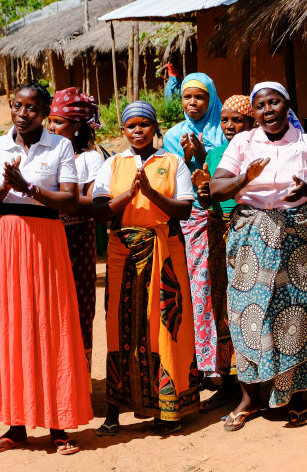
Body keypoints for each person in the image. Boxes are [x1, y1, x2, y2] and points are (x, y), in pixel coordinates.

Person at [209, 82, 307, 432]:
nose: (268, 110)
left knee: (299, 312)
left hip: (300, 237)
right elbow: (215, 188)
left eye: (274, 102)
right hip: (251, 236)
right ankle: (250, 398)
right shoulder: (242, 142)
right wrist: (242, 178)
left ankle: (295, 397)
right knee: (247, 311)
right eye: (261, 104)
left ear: (286, 105)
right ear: (255, 111)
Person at [0, 82, 92, 455]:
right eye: (17, 106)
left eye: (31, 108)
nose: (23, 114)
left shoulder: (60, 146)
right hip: (7, 239)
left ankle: (59, 426)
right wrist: (6, 187)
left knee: (50, 324)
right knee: (11, 325)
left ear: (44, 113)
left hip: (47, 239)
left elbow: (71, 202)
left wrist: (28, 187)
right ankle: (16, 425)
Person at [92, 101, 199, 437]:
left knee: (164, 327)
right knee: (118, 327)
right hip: (122, 250)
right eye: (130, 126)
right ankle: (114, 411)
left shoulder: (172, 162)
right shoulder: (113, 164)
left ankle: (167, 408)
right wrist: (128, 196)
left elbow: (182, 211)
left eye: (143, 124)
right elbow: (100, 211)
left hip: (163, 249)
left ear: (154, 127)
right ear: (123, 130)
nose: (137, 131)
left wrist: (150, 193)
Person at [189, 95, 256, 411]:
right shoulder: (214, 155)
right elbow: (206, 202)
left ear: (251, 122)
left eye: (237, 120)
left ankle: (255, 385)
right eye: (226, 120)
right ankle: (229, 385)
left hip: (251, 233)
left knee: (250, 308)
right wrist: (203, 192)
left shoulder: (257, 153)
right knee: (222, 309)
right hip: (218, 233)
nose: (230, 126)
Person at [162, 73, 227, 378]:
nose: (192, 103)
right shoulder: (174, 137)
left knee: (223, 292)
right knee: (194, 291)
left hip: (226, 219)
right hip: (191, 221)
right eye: (187, 96)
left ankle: (225, 365)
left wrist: (205, 156)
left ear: (211, 98)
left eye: (199, 97)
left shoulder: (226, 130)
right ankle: (200, 363)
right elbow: (170, 178)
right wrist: (185, 159)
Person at [47, 87, 104, 372]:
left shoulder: (89, 159)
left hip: (77, 240)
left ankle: (78, 378)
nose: (51, 127)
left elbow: (95, 203)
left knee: (78, 305)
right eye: (51, 120)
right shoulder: (47, 154)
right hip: (47, 237)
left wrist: (57, 199)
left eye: (59, 122)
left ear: (77, 125)